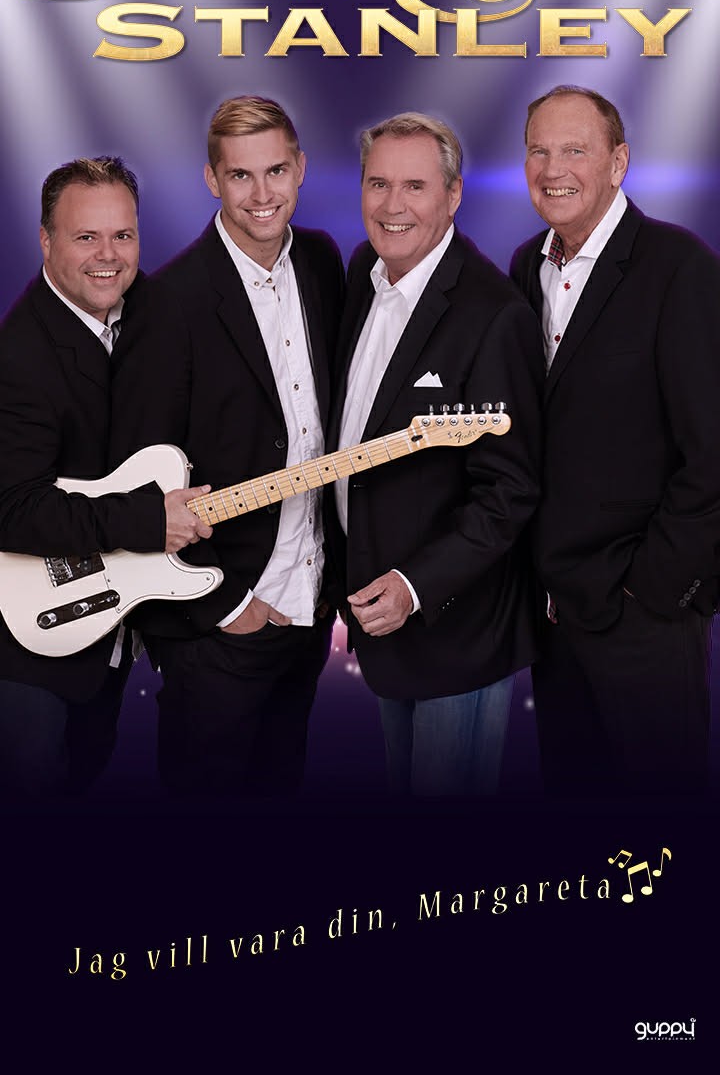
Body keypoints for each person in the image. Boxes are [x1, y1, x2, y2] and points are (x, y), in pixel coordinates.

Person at [111, 97, 344, 797]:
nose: (263, 194)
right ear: (212, 180)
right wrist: (223, 605)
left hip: (306, 610)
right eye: (241, 176)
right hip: (218, 622)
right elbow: (141, 480)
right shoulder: (167, 302)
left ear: (300, 167)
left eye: (276, 170)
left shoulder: (326, 264)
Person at [511, 84, 720, 797]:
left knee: (662, 849)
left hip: (644, 621)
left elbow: (713, 453)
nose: (552, 168)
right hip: (552, 618)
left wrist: (656, 591)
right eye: (538, 150)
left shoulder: (677, 268)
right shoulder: (524, 269)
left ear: (619, 162)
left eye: (574, 150)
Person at [327, 112, 544, 796]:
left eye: (415, 186)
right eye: (378, 184)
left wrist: (416, 586)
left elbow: (509, 490)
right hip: (378, 620)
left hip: (454, 630)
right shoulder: (365, 269)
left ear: (452, 196)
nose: (393, 207)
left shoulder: (493, 315)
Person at [0, 156, 209, 800]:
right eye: (85, 236)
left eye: (123, 235)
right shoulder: (20, 355)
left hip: (104, 629)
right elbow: (12, 509)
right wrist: (150, 520)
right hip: (27, 647)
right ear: (46, 240)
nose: (108, 256)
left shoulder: (152, 309)